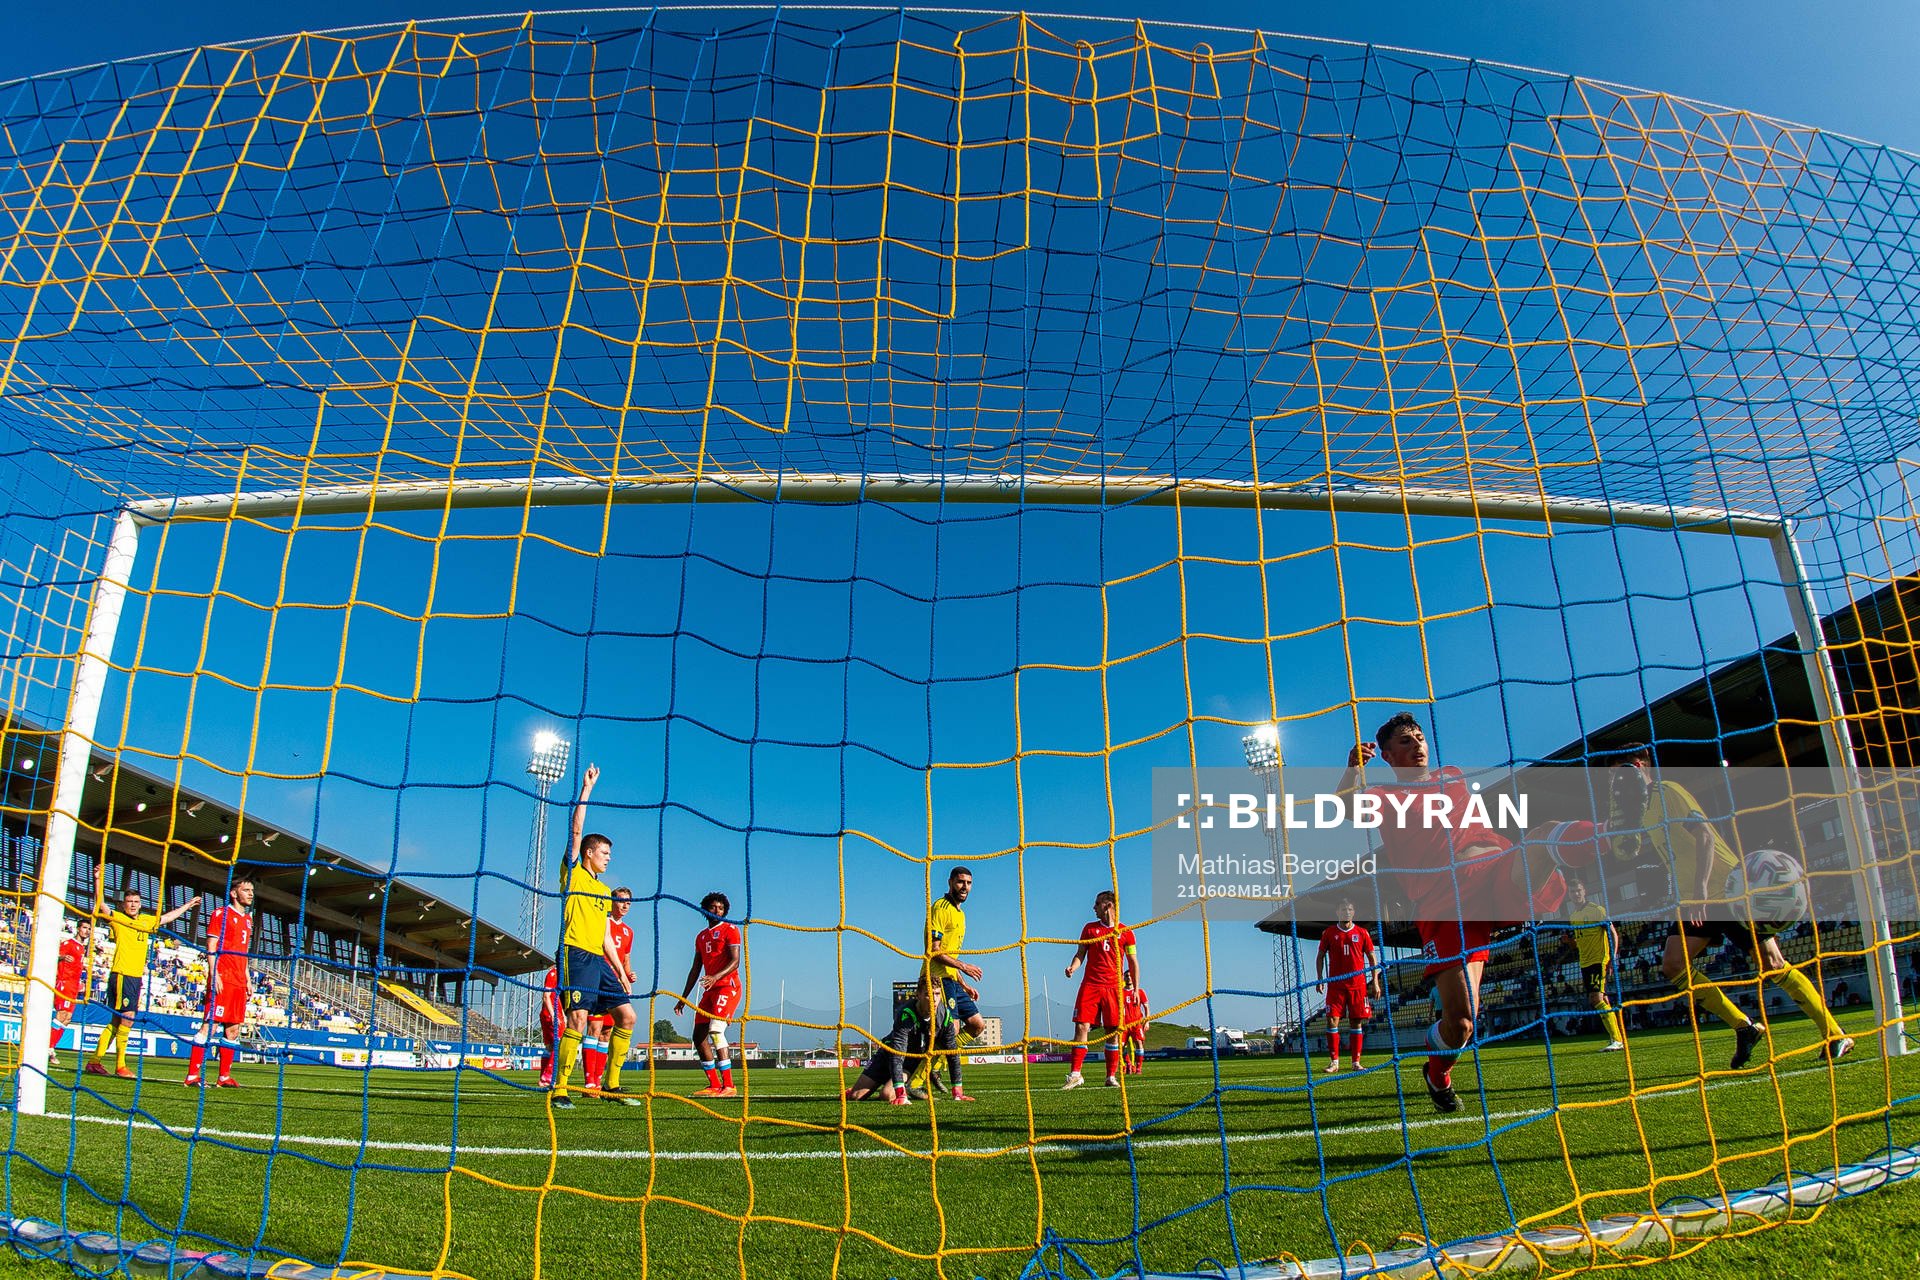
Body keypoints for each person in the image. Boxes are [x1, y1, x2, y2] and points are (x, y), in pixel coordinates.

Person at [1339, 713, 1581, 1113]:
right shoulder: (1384, 798)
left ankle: (1616, 836)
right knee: (1462, 1024)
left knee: (1545, 835)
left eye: (1419, 737)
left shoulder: (1451, 775)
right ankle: (1438, 1075)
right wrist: (1352, 770)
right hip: (1444, 905)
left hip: (1493, 875)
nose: (1417, 744)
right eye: (1404, 741)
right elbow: (1346, 808)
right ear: (1385, 755)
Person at [1608, 744, 1851, 1066]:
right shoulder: (1642, 807)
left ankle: (1835, 1034)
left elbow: (1705, 837)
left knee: (1772, 964)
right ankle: (1745, 1027)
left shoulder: (1668, 791)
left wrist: (1701, 891)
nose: (1614, 784)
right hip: (1694, 898)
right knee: (1673, 965)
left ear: (1637, 766)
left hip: (1725, 889)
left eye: (1617, 775)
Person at [550, 763, 640, 1107]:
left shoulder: (603, 892)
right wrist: (587, 790)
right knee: (578, 1018)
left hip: (599, 960)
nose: (608, 858)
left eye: (610, 854)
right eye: (604, 853)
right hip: (574, 955)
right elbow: (575, 832)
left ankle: (611, 1086)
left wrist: (619, 971)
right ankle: (560, 1089)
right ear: (589, 853)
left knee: (627, 1016)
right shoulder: (573, 873)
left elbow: (605, 935)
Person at [85, 882, 201, 1079]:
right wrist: (97, 880)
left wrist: (187, 905)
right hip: (123, 974)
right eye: (129, 902)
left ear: (140, 904)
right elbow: (102, 906)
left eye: (136, 902)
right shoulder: (118, 919)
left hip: (134, 977)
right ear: (123, 905)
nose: (132, 905)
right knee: (127, 1018)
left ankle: (94, 1062)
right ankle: (120, 1066)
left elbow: (166, 918)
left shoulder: (147, 921)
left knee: (116, 1021)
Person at [913, 866, 984, 1102]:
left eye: (969, 883)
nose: (965, 887)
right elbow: (934, 952)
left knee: (977, 1025)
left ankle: (937, 1067)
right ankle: (915, 1082)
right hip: (936, 979)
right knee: (949, 1031)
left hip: (952, 980)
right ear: (950, 882)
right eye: (961, 882)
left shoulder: (961, 914)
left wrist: (963, 984)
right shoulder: (940, 908)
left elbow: (950, 954)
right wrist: (964, 966)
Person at [1062, 890, 1139, 1089]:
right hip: (1090, 985)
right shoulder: (1089, 929)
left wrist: (1136, 989)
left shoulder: (1126, 932)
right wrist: (1073, 966)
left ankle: (1110, 1076)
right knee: (1081, 1026)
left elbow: (1133, 962)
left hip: (1114, 988)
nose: (1093, 908)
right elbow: (1080, 954)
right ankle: (1076, 1074)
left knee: (1113, 1031)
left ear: (1107, 906)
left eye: (1097, 904)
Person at [185, 874, 256, 1087]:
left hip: (238, 980)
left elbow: (242, 953)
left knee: (233, 1029)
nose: (251, 894)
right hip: (223, 977)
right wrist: (214, 973)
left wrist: (248, 979)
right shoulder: (221, 914)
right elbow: (212, 946)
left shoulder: (248, 919)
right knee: (211, 1026)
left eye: (252, 891)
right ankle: (192, 1076)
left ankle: (224, 1077)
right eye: (246, 890)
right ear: (234, 893)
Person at [676, 892, 743, 1098]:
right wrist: (683, 998)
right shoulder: (701, 936)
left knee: (716, 1030)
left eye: (721, 908)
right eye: (714, 907)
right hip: (710, 989)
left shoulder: (731, 930)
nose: (717, 911)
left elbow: (735, 961)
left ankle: (729, 1085)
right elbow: (695, 969)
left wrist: (715, 976)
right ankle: (714, 1085)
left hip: (727, 987)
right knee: (698, 1036)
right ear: (705, 909)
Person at [844, 985, 953, 1105]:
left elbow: (953, 1053)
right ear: (918, 995)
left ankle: (909, 1087)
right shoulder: (906, 1012)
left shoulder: (944, 1015)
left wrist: (958, 1092)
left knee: (886, 1095)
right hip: (888, 1054)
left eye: (937, 994)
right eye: (928, 994)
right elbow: (897, 1053)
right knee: (855, 1097)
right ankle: (863, 1088)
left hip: (908, 1063)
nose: (934, 998)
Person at [1316, 899, 1383, 1073]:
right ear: (1337, 912)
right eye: (1343, 909)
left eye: (1350, 909)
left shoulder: (1362, 933)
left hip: (1357, 985)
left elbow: (1372, 959)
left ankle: (1356, 1063)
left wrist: (1375, 982)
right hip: (1336, 986)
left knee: (1356, 1022)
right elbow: (1320, 956)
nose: (1347, 912)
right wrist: (1320, 978)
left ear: (1353, 912)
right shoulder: (1329, 933)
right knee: (1331, 1021)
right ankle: (1334, 1062)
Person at [585, 887, 638, 1087]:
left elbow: (625, 958)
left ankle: (600, 1081)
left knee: (607, 1031)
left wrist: (628, 974)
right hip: (598, 980)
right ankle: (589, 1083)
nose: (625, 905)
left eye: (628, 902)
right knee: (594, 1027)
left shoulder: (628, 931)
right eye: (621, 901)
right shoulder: (602, 922)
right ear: (611, 902)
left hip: (616, 985)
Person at [1564, 877, 1625, 1051]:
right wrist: (1570, 942)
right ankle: (1617, 1038)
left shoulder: (1597, 910)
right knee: (1602, 998)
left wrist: (1612, 958)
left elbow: (1613, 934)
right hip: (1585, 963)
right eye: (1572, 892)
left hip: (1599, 960)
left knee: (1596, 999)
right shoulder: (1573, 916)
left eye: (1578, 891)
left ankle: (1617, 1040)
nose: (1576, 894)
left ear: (1584, 892)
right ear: (1569, 895)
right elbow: (1579, 942)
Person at [50, 918, 91, 1065]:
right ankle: (48, 1048)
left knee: (67, 1019)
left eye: (89, 929)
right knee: (61, 1015)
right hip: (65, 983)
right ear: (78, 929)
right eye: (85, 928)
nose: (87, 931)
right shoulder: (68, 943)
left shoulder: (82, 947)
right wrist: (61, 957)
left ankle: (51, 1047)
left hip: (74, 986)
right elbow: (52, 956)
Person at [1121, 973, 1150, 1075]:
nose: (1129, 977)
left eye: (1130, 975)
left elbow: (1146, 1007)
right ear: (1124, 978)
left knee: (1139, 1043)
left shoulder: (1140, 992)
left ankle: (1138, 1068)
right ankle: (1128, 1063)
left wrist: (1147, 1021)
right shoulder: (1120, 992)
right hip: (1123, 1024)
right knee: (1120, 1046)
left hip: (1136, 1023)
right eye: (1127, 976)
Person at [537, 965, 561, 1089]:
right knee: (558, 1044)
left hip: (552, 1012)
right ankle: (547, 1076)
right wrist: (553, 1014)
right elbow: (546, 996)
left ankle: (543, 1078)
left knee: (550, 1047)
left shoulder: (561, 975)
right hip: (551, 1013)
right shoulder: (553, 974)